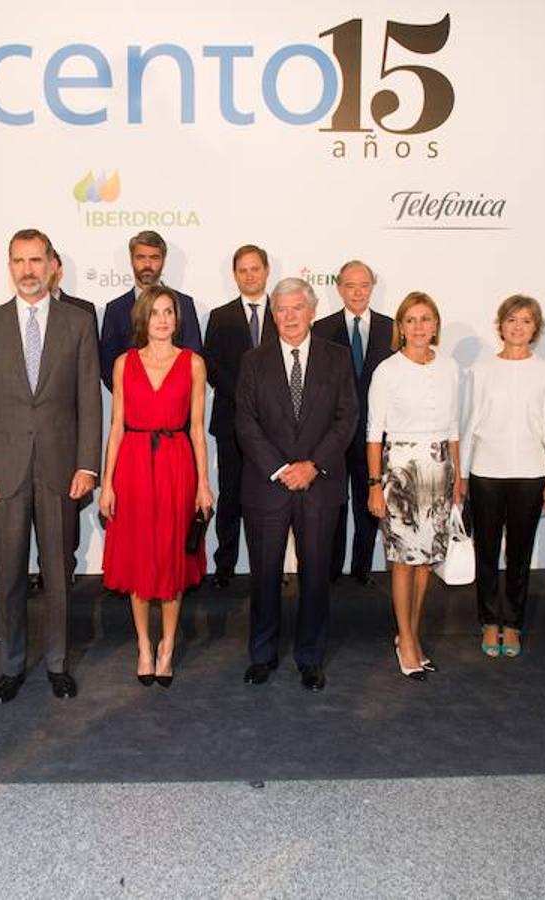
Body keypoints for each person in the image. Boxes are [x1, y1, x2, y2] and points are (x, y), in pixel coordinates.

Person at [0, 228, 103, 704]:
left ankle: (59, 664)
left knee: (60, 573)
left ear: (52, 265)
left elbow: (88, 401)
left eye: (37, 260)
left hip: (62, 468)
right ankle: (12, 664)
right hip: (3, 472)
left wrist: (88, 464)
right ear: (10, 267)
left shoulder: (79, 322)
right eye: (19, 261)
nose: (28, 270)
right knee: (10, 574)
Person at [236, 278, 357, 693]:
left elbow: (347, 419)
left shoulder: (337, 359)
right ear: (273, 315)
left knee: (316, 574)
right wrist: (280, 468)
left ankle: (311, 658)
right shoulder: (253, 361)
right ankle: (262, 654)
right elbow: (246, 424)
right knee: (265, 575)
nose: (288, 317)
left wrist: (312, 466)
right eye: (281, 310)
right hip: (267, 486)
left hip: (318, 485)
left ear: (312, 310)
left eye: (296, 308)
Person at [99, 286, 214, 686]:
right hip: (132, 464)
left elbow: (198, 430)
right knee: (138, 557)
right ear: (142, 319)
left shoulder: (193, 363)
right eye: (156, 313)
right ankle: (144, 645)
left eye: (169, 312)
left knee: (169, 556)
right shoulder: (122, 363)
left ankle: (167, 646)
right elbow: (115, 428)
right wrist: (107, 483)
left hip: (176, 464)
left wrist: (203, 482)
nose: (163, 319)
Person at [366, 291, 464, 682]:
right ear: (401, 328)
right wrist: (375, 485)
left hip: (440, 469)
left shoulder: (452, 368)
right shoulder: (387, 371)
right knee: (404, 560)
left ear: (436, 324)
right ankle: (406, 639)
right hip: (401, 472)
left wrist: (460, 476)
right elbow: (374, 433)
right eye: (411, 320)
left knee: (426, 560)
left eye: (426, 319)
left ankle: (412, 631)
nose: (419, 326)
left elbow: (455, 426)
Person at [463, 295, 545, 658]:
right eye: (511, 319)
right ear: (500, 325)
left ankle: (514, 623)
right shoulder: (480, 370)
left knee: (520, 555)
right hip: (485, 473)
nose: (518, 326)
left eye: (526, 320)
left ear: (535, 328)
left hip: (531, 474)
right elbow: (468, 426)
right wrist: (461, 475)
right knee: (486, 552)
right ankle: (490, 621)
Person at [312, 260, 394, 584]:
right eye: (350, 285)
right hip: (332, 435)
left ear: (372, 287)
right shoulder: (320, 329)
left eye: (363, 285)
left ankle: (362, 569)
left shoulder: (392, 328)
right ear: (339, 288)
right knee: (334, 505)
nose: (357, 292)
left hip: (376, 435)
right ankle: (331, 570)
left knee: (368, 503)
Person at [203, 244, 275, 588]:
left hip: (277, 426)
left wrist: (267, 405)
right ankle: (225, 564)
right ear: (235, 275)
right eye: (243, 270)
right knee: (231, 494)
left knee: (272, 498)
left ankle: (271, 565)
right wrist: (247, 400)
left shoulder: (286, 312)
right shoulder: (220, 316)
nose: (249, 275)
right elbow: (212, 368)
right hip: (231, 421)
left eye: (255, 269)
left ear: (266, 271)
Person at [48, 246, 99, 586]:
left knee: (65, 517)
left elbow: (88, 379)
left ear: (58, 269)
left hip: (68, 432)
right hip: (23, 440)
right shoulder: (2, 320)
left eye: (43, 262)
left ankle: (65, 569)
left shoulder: (81, 312)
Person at [99, 230, 202, 390]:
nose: (147, 265)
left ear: (163, 260)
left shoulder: (184, 304)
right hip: (131, 409)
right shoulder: (115, 309)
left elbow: (193, 356)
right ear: (131, 260)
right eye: (141, 257)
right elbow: (107, 367)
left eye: (154, 258)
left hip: (177, 408)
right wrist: (136, 399)